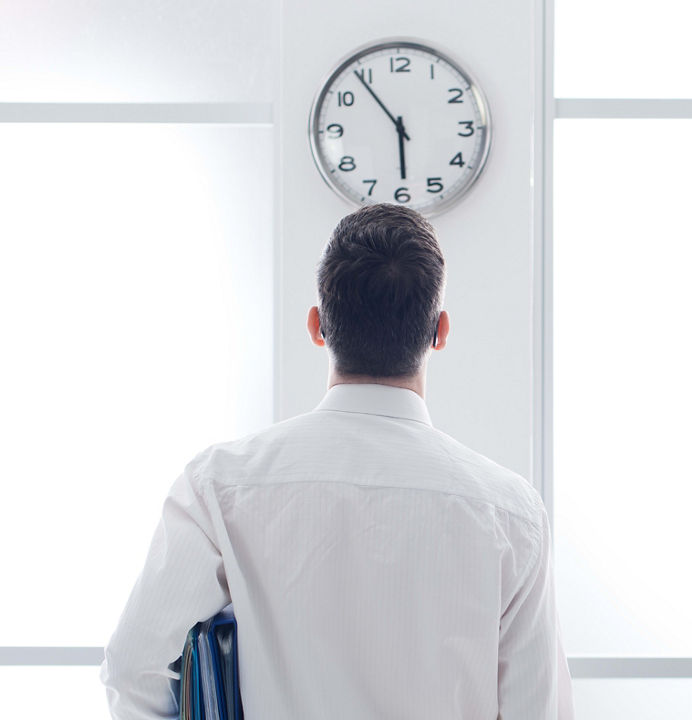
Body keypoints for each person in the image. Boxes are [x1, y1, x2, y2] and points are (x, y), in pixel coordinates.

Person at [100, 203, 574, 719]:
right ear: (439, 331)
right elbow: (537, 710)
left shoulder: (220, 485)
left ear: (317, 325)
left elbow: (134, 671)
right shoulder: (511, 512)